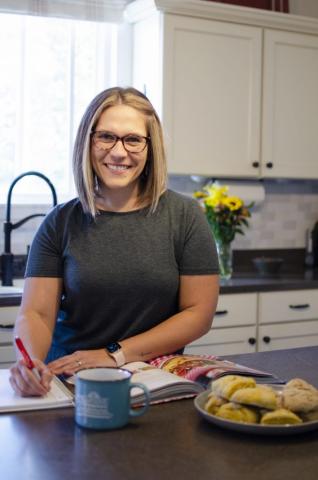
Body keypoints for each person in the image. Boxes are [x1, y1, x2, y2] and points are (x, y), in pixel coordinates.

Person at [9, 86, 219, 397]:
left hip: (156, 383)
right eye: (106, 136)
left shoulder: (185, 216)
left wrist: (113, 354)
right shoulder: (60, 222)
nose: (119, 152)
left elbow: (197, 312)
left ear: (151, 148)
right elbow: (36, 314)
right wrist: (30, 363)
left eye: (133, 139)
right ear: (88, 141)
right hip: (69, 382)